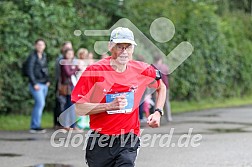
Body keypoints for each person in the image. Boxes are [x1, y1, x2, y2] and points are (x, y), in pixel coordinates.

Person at [71, 27, 166, 167]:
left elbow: (161, 87)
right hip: (100, 140)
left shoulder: (142, 69)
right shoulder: (94, 71)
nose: (124, 52)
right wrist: (108, 106)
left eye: (128, 47)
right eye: (119, 47)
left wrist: (158, 112)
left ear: (133, 48)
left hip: (128, 138)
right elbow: (79, 108)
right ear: (110, 46)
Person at [27, 39, 50, 133]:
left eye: (42, 45)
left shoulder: (44, 56)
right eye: (39, 45)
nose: (40, 46)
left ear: (44, 46)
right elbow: (30, 70)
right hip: (36, 84)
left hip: (44, 84)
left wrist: (48, 80)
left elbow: (45, 69)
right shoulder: (32, 57)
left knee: (39, 104)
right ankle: (35, 126)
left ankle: (35, 125)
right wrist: (34, 83)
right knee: (40, 103)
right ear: (35, 46)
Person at [54, 41, 73, 129]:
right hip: (64, 85)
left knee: (69, 104)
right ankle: (61, 123)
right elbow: (63, 73)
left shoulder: (72, 60)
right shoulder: (62, 61)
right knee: (62, 104)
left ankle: (68, 124)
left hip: (71, 85)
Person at [60, 48, 79, 129]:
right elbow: (68, 73)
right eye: (68, 54)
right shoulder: (64, 62)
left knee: (70, 105)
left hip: (72, 85)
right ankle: (69, 124)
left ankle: (70, 124)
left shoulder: (71, 63)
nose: (70, 55)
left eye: (71, 54)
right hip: (68, 86)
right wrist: (75, 68)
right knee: (69, 105)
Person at [153, 54, 172, 122]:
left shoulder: (152, 66)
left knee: (156, 102)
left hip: (155, 86)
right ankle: (168, 117)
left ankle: (156, 117)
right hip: (165, 86)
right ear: (160, 59)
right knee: (166, 102)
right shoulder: (165, 67)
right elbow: (168, 74)